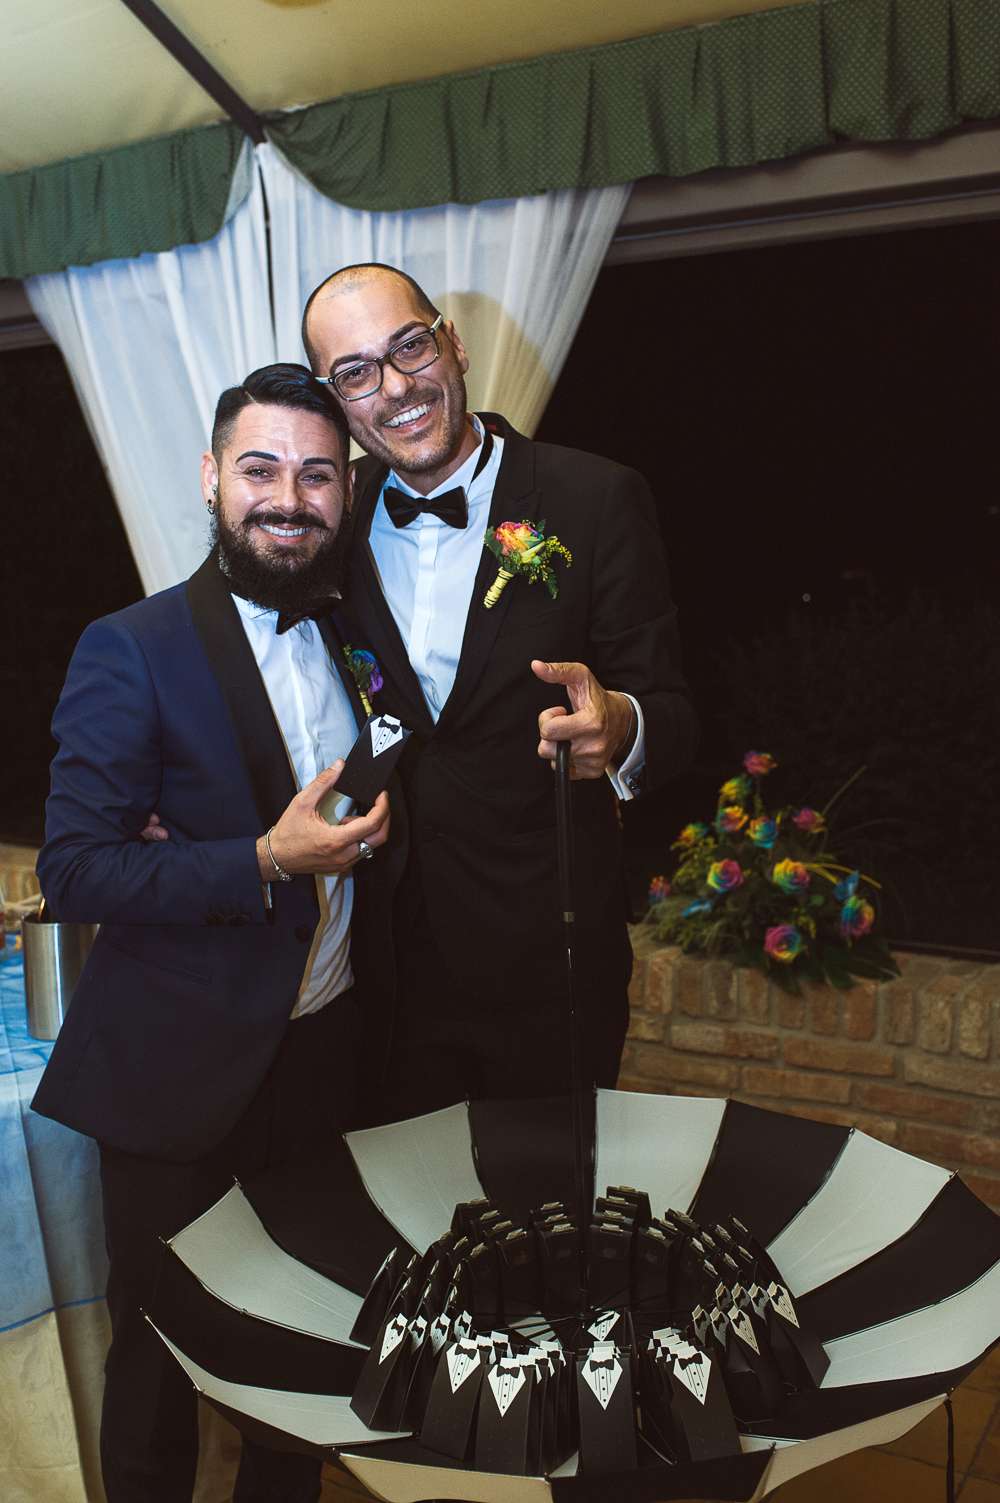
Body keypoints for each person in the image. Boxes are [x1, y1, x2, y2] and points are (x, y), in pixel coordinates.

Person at [32, 363, 401, 1503]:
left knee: (303, 1344)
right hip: (174, 1071)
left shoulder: (357, 634)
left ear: (346, 492)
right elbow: (73, 868)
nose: (288, 498)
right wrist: (259, 859)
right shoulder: (131, 645)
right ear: (210, 478)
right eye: (260, 469)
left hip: (325, 1050)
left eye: (317, 474)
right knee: (159, 1363)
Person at [301, 264, 698, 1122]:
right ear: (335, 402)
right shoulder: (329, 518)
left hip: (549, 971)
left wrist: (621, 724)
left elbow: (674, 714)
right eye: (356, 372)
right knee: (398, 1202)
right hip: (384, 975)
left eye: (410, 347)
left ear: (454, 344)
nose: (395, 387)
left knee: (549, 1203)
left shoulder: (595, 498)